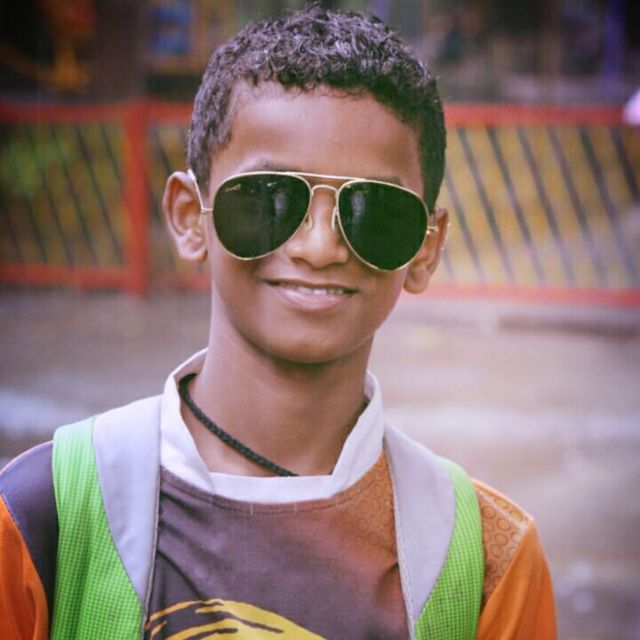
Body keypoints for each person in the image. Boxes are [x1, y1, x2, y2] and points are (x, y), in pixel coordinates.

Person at [0, 4, 556, 638]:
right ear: (188, 217)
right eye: (269, 198)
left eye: (374, 211)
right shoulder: (42, 519)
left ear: (425, 249)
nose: (319, 247)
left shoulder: (487, 565)